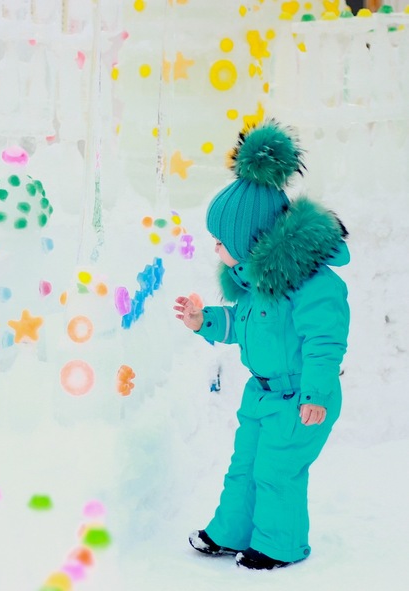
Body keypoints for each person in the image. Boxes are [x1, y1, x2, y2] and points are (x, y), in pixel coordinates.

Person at [173, 120, 350, 570]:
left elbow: (324, 340)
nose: (216, 249)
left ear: (250, 241)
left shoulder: (312, 285)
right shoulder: (255, 284)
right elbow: (243, 324)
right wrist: (203, 320)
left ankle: (279, 545)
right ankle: (231, 532)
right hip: (261, 396)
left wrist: (315, 394)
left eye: (221, 241)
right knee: (246, 466)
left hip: (300, 398)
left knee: (276, 472)